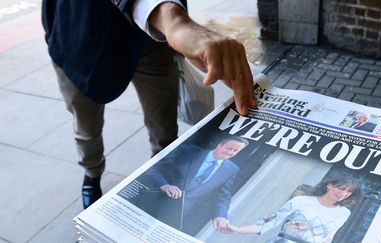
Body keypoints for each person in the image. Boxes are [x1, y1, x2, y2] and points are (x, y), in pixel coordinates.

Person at [41, 0, 256, 209]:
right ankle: (92, 171)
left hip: (148, 39)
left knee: (164, 126)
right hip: (80, 32)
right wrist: (172, 19)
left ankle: (164, 172)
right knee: (87, 125)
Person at [136, 136, 249, 235]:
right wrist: (164, 185)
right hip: (153, 201)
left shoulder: (231, 169)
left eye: (236, 150)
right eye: (230, 148)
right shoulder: (187, 152)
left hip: (177, 214)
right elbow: (152, 168)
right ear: (219, 145)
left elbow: (223, 196)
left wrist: (221, 216)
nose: (231, 153)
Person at [222, 177, 361, 243]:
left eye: (349, 192)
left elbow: (328, 238)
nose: (343, 194)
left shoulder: (344, 213)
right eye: (341, 188)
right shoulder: (301, 201)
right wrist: (238, 230)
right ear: (329, 185)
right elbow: (268, 222)